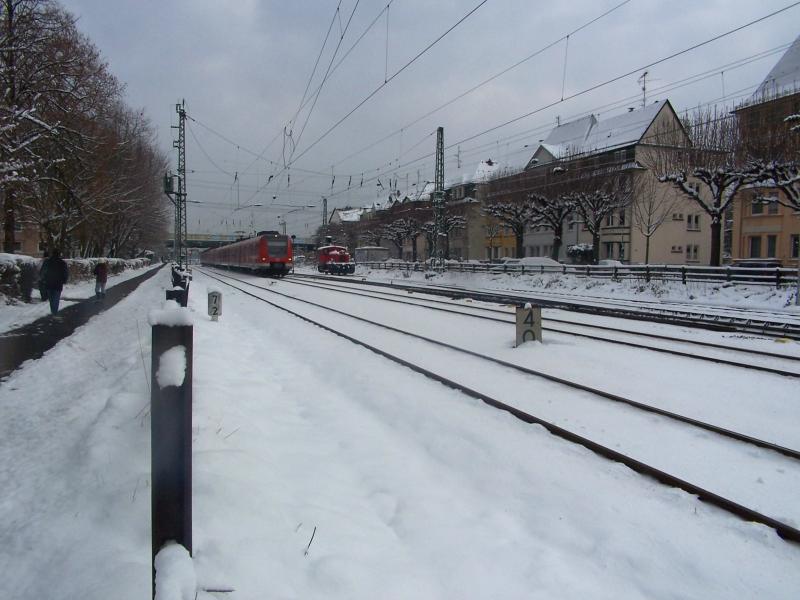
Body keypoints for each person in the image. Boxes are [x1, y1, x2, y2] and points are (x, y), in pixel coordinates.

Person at [40, 249, 69, 315]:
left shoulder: (47, 261)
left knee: (51, 298)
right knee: (56, 297)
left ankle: (53, 310)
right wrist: (65, 280)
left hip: (49, 281)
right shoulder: (62, 262)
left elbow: (43, 271)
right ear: (59, 254)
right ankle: (54, 311)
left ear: (52, 254)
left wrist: (43, 279)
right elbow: (65, 272)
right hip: (58, 282)